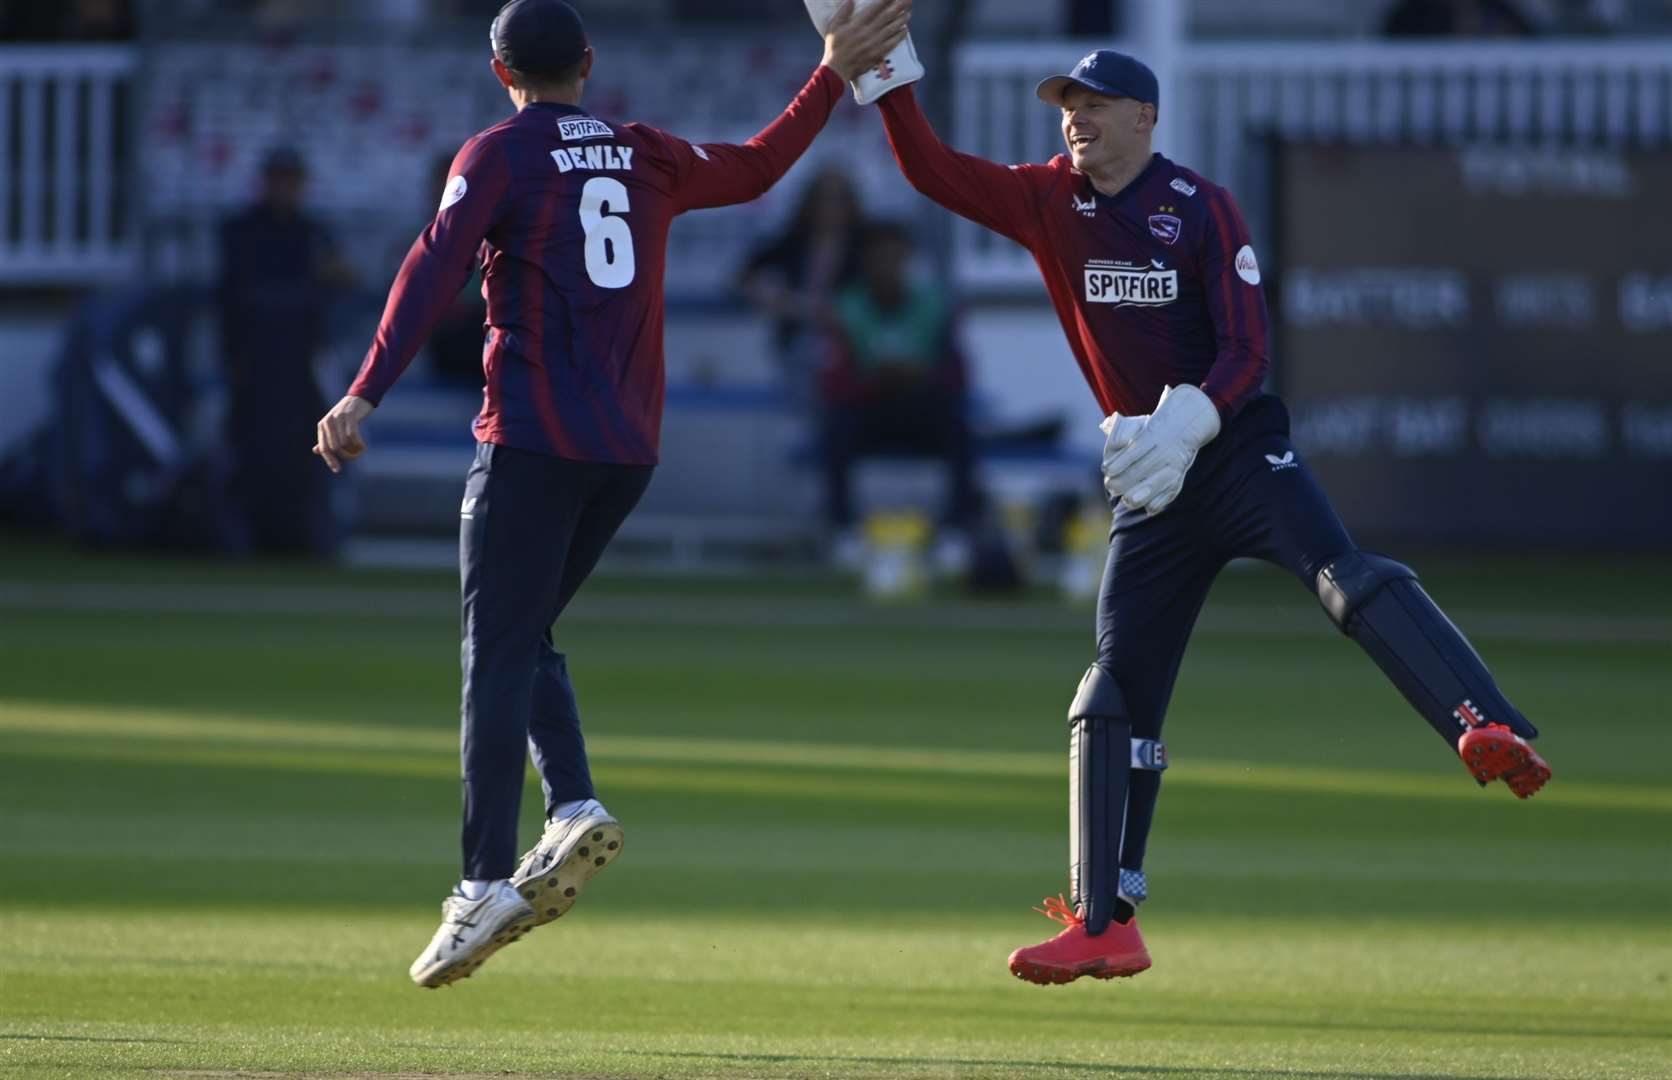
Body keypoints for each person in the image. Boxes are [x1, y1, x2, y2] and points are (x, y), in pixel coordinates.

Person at [871, 49, 1553, 985]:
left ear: (1146, 117)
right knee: (1114, 693)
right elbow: (930, 170)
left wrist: (1189, 418)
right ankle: (1104, 919)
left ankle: (1486, 725)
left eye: (1097, 104)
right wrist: (884, 75)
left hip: (1236, 457)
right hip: (1154, 488)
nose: (1076, 118)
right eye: (1067, 104)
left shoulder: (1198, 205)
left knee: (1342, 575)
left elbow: (1246, 352)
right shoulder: (1045, 201)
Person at [310, 0, 911, 989]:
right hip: (626, 451)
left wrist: (363, 388)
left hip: (532, 437)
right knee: (529, 627)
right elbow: (760, 167)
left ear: (500, 72)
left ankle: (476, 882)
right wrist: (831, 73)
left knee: (494, 650)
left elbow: (433, 264)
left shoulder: (499, 153)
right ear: (588, 63)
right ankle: (576, 805)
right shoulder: (645, 152)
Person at [218, 146, 353, 556]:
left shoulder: (312, 233)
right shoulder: (242, 231)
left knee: (300, 455)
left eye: (290, 180)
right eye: (278, 179)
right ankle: (249, 539)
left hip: (301, 365)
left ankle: (299, 539)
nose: (284, 189)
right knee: (253, 453)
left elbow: (339, 283)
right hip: (255, 363)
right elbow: (237, 299)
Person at [819, 220, 981, 555]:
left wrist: (920, 375)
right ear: (865, 262)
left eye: (895, 258)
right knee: (835, 429)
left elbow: (959, 374)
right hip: (869, 410)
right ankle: (843, 530)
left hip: (919, 409)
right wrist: (875, 380)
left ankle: (955, 530)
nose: (887, 267)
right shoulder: (846, 309)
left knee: (959, 429)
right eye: (879, 259)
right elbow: (832, 381)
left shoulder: (933, 306)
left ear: (907, 260)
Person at [738, 168, 867, 398]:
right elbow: (743, 274)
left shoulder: (864, 245)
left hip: (849, 344)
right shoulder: (793, 240)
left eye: (838, 200)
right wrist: (777, 299)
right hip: (795, 339)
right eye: (823, 199)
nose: (830, 208)